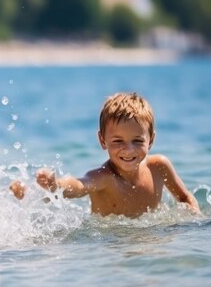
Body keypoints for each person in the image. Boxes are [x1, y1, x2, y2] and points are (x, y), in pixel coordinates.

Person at [10, 92, 200, 218]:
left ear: (151, 140)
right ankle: (30, 194)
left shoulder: (159, 166)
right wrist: (55, 184)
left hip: (148, 241)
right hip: (112, 246)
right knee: (48, 195)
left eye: (138, 141)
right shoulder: (104, 178)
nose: (129, 149)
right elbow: (78, 185)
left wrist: (195, 221)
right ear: (103, 141)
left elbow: (185, 198)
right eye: (118, 141)